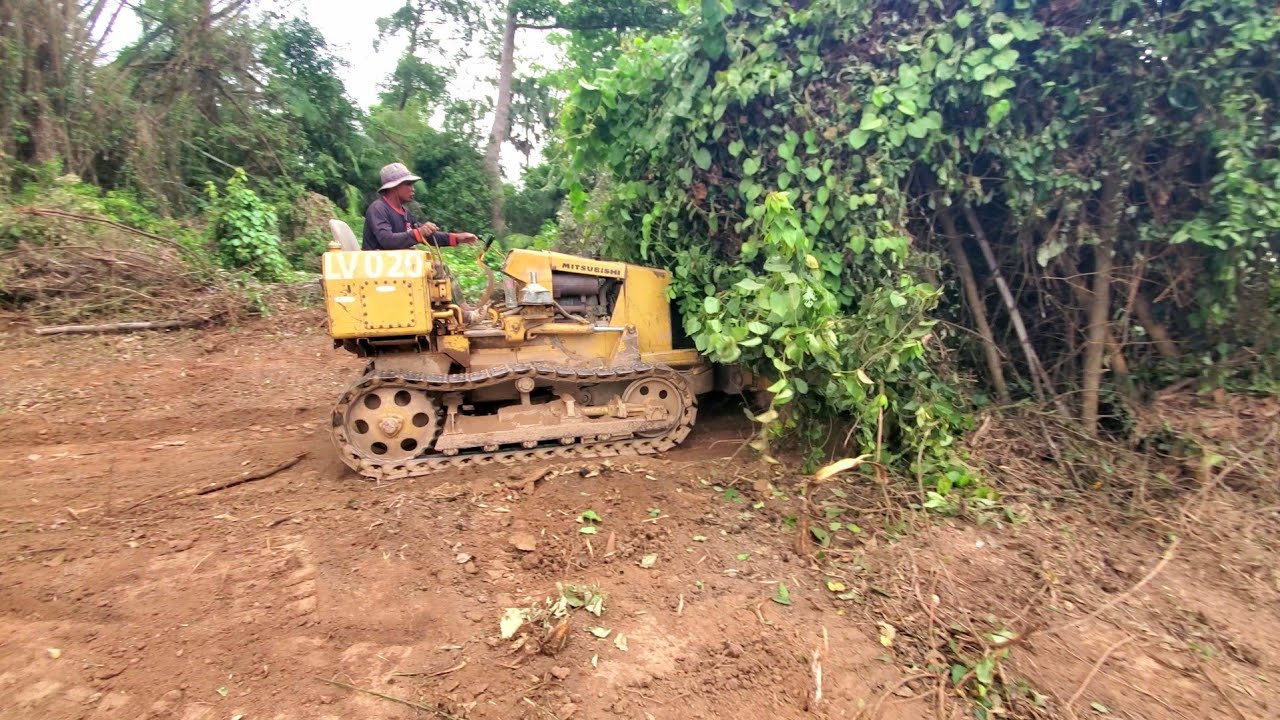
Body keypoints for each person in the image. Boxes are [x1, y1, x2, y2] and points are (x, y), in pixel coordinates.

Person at [363, 162, 479, 251]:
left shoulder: (405, 212)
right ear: (394, 187)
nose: (413, 189)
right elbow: (387, 240)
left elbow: (426, 236)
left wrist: (457, 238)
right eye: (408, 185)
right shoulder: (378, 209)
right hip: (378, 270)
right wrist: (419, 232)